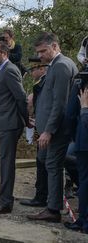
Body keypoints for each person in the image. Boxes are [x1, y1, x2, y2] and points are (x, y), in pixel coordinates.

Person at [27, 32, 78, 223]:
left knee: (54, 165)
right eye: (38, 52)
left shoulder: (62, 66)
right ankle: (52, 205)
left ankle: (52, 209)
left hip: (56, 130)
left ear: (55, 46)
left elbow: (60, 103)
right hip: (52, 128)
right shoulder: (56, 65)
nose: (40, 56)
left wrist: (48, 130)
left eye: (43, 51)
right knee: (49, 162)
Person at [0, 42, 29, 214]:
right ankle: (3, 200)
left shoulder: (9, 70)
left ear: (4, 54)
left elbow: (21, 97)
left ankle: (6, 203)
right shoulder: (3, 70)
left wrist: (25, 120)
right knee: (5, 163)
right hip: (6, 123)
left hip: (10, 124)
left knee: (6, 164)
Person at [20, 57, 49, 207]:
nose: (31, 72)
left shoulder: (43, 82)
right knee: (41, 160)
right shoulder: (41, 82)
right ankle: (42, 193)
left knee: (41, 161)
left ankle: (41, 195)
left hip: (42, 125)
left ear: (42, 69)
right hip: (41, 123)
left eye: (33, 69)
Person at [64, 76, 88, 234]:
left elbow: (70, 115)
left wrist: (84, 109)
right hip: (81, 140)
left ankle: (84, 222)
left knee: (85, 181)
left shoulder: (82, 82)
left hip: (83, 139)